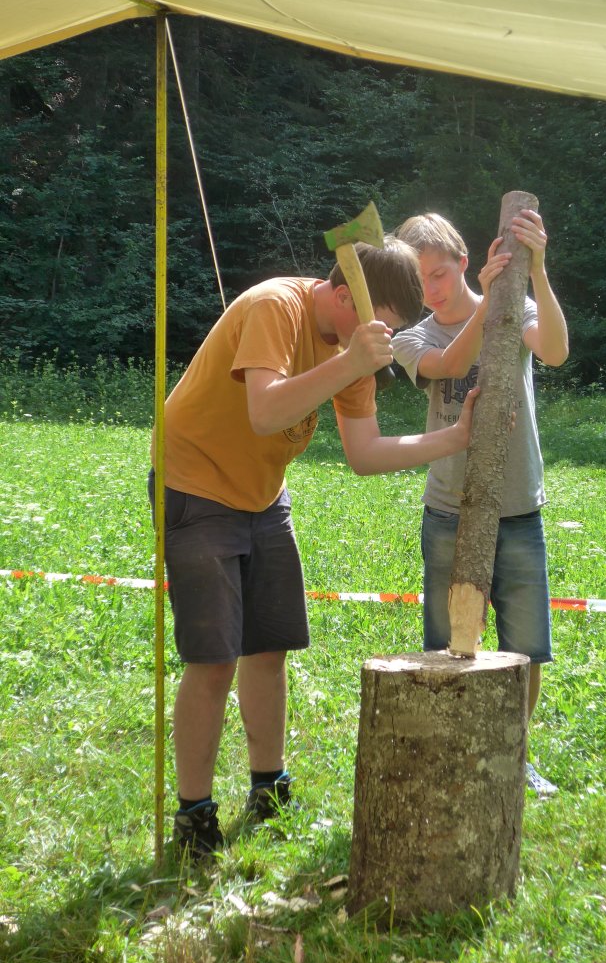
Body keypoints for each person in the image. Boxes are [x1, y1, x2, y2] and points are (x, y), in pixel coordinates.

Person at [150, 237, 478, 860]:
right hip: (194, 485)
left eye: (393, 329)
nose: (386, 339)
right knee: (214, 660)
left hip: (262, 495)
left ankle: (268, 788)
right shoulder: (276, 307)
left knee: (269, 646)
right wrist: (350, 361)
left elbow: (365, 453)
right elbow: (265, 412)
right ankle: (194, 814)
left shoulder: (354, 347)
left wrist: (455, 437)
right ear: (342, 296)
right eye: (383, 323)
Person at [391, 210, 568, 796]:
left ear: (464, 262)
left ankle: (514, 756)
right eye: (419, 281)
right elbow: (449, 365)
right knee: (447, 644)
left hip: (517, 504)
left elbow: (555, 351)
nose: (431, 290)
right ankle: (449, 750)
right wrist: (488, 303)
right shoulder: (412, 337)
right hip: (448, 506)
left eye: (439, 274)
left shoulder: (514, 307)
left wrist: (536, 272)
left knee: (526, 648)